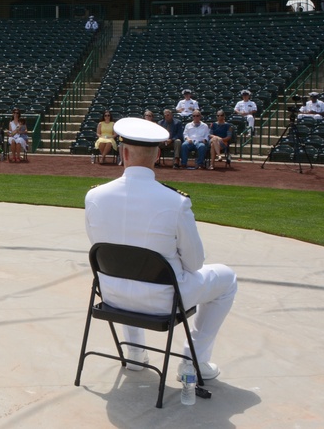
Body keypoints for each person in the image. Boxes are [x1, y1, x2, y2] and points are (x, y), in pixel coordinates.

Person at [84, 117, 237, 381]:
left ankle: (134, 355)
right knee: (227, 279)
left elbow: (103, 248)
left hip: (111, 295)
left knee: (127, 267)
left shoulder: (94, 196)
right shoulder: (175, 201)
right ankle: (193, 363)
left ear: (124, 152)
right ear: (156, 155)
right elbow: (195, 263)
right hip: (164, 301)